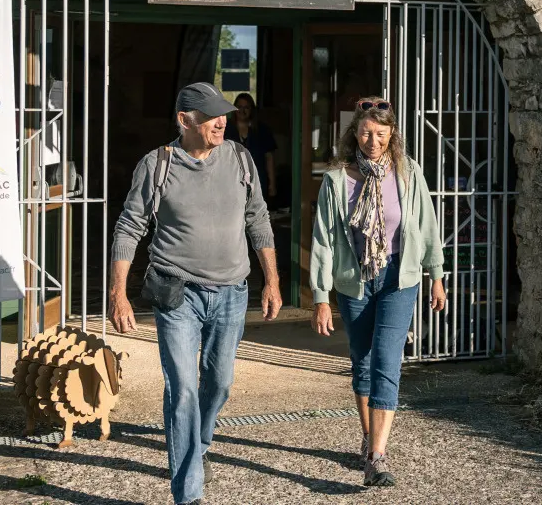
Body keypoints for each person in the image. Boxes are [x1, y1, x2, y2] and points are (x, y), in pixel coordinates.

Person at [109, 82, 281, 505]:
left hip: (231, 292)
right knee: (183, 388)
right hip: (178, 293)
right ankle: (188, 493)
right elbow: (129, 228)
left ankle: (199, 442)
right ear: (185, 120)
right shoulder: (157, 164)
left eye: (223, 113)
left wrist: (272, 280)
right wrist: (118, 293)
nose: (221, 121)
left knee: (219, 383)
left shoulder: (240, 159)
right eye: (210, 116)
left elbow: (258, 219)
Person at [310, 96, 446, 488]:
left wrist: (436, 274)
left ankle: (377, 456)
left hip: (398, 278)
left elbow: (426, 226)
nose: (373, 141)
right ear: (354, 134)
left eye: (381, 134)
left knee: (388, 362)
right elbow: (323, 241)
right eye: (366, 133)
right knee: (363, 363)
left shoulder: (408, 173)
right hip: (354, 281)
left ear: (392, 136)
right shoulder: (337, 181)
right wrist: (321, 297)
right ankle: (369, 437)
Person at [224, 93, 278, 207]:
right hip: (231, 180)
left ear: (252, 110)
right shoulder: (225, 129)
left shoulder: (262, 130)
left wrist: (272, 184)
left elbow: (269, 158)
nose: (242, 111)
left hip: (258, 179)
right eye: (239, 107)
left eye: (246, 107)